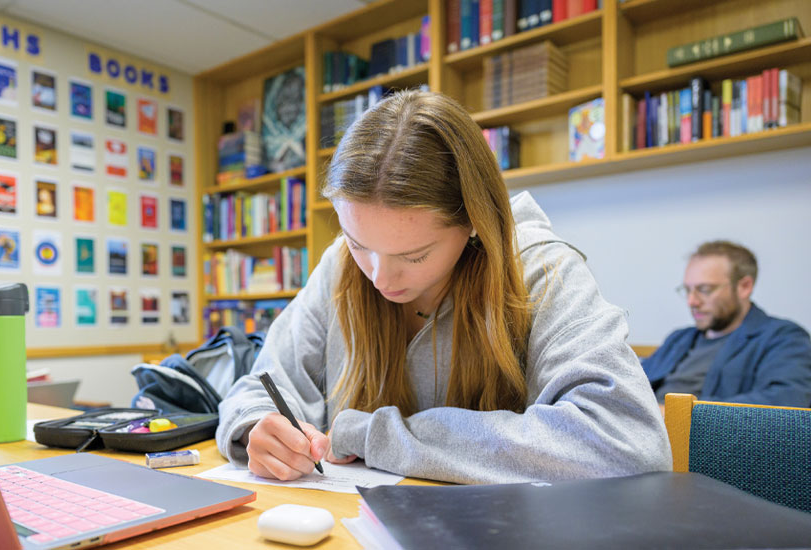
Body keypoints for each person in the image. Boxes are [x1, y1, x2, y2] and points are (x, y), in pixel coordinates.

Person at [214, 90, 671, 484]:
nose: (379, 277)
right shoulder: (338, 266)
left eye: (414, 256)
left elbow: (626, 444)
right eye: (359, 244)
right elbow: (262, 384)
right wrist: (256, 427)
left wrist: (377, 436)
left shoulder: (541, 270)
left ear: (473, 221)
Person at [643, 241, 811, 409]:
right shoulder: (679, 338)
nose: (692, 301)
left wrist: (676, 414)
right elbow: (634, 387)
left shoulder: (783, 338)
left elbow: (786, 401)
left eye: (704, 289)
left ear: (744, 287)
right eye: (688, 290)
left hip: (695, 432)